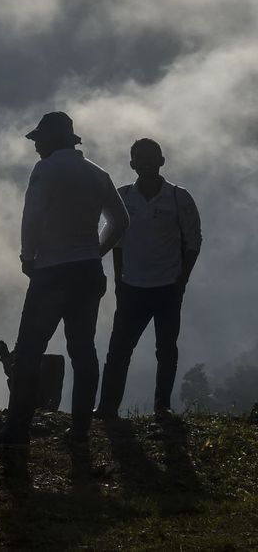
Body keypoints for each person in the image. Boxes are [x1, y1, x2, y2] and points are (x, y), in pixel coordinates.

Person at [0, 112, 129, 448]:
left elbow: (31, 216)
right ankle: (79, 431)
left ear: (51, 141)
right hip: (88, 271)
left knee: (31, 350)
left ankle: (16, 430)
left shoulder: (46, 170)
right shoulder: (98, 174)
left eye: (39, 141)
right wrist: (96, 250)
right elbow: (120, 220)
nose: (35, 147)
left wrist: (27, 256)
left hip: (52, 270)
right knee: (83, 350)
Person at [96, 138, 201, 421]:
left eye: (150, 157)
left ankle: (161, 406)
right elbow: (115, 241)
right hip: (132, 287)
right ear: (132, 164)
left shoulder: (179, 197)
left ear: (161, 161)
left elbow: (193, 241)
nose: (145, 163)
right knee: (119, 350)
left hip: (168, 286)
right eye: (139, 158)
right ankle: (107, 407)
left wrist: (182, 281)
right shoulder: (123, 197)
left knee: (165, 349)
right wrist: (119, 281)